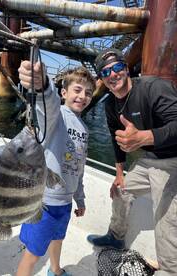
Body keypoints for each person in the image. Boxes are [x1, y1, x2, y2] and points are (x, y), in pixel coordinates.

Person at [87, 48, 177, 275]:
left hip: (173, 160)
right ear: (103, 80)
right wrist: (119, 174)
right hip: (150, 159)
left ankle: (170, 270)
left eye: (117, 67)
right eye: (106, 72)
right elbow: (116, 140)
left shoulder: (153, 87)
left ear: (126, 69)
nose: (113, 74)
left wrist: (144, 137)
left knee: (165, 221)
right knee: (121, 191)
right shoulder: (110, 105)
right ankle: (116, 237)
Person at [16, 62, 96, 276]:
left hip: (65, 203)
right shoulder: (56, 117)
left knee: (58, 238)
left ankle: (55, 270)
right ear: (63, 92)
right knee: (32, 253)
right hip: (44, 203)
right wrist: (43, 86)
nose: (82, 96)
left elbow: (79, 167)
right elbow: (47, 106)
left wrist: (80, 198)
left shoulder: (85, 129)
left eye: (88, 93)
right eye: (77, 90)